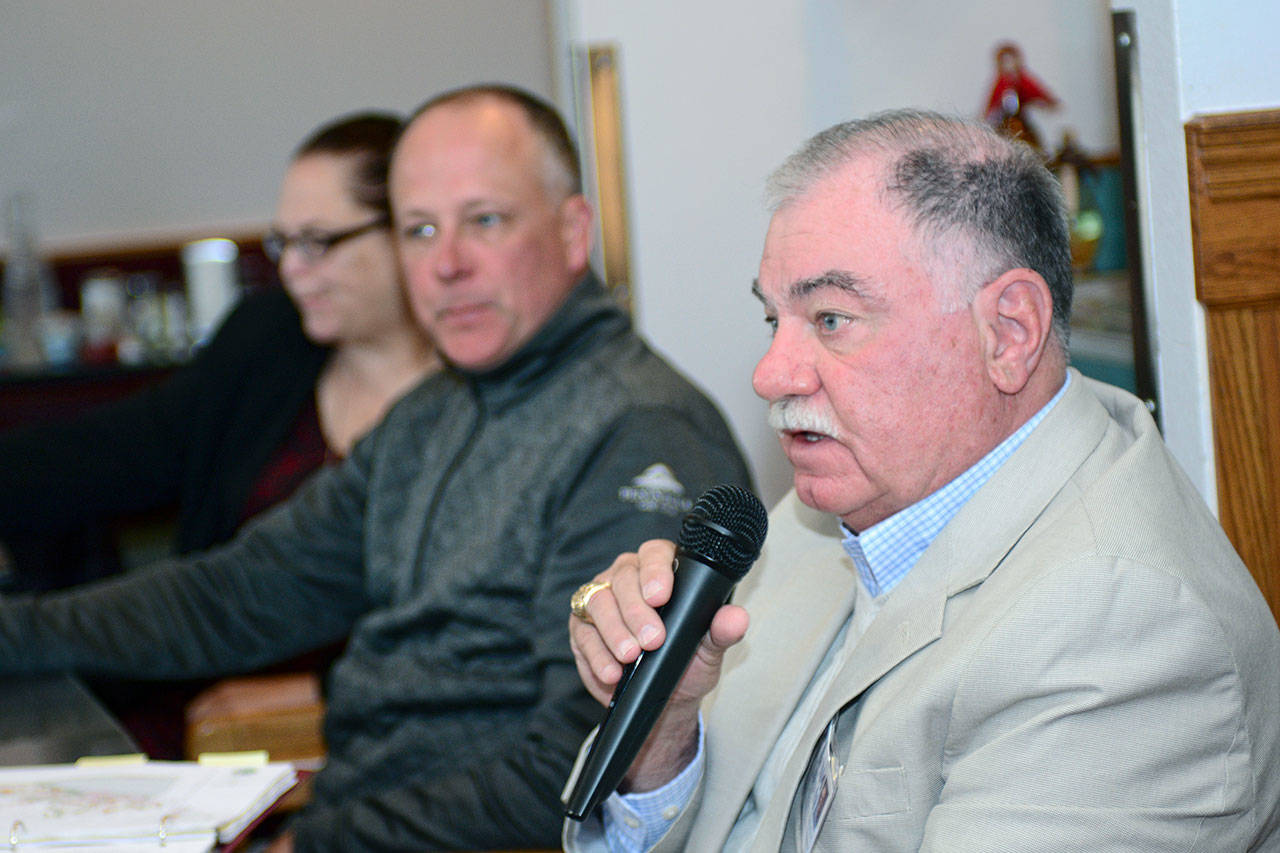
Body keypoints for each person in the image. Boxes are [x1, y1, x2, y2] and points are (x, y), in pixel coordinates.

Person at [0, 84, 751, 851]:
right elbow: (234, 593)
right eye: (420, 230)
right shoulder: (432, 414)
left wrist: (318, 844)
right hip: (345, 817)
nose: (447, 264)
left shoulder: (637, 430)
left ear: (572, 229)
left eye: (485, 221)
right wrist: (16, 634)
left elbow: (588, 761)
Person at [564, 109, 1280, 851]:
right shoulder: (822, 515)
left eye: (832, 318)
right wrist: (666, 728)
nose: (770, 373)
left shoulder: (1126, 626)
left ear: (1009, 332)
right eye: (773, 318)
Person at [0, 111, 438, 759]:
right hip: (196, 693)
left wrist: (321, 691)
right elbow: (106, 455)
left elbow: (476, 635)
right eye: (283, 242)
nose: (294, 270)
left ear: (409, 234)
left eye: (320, 242)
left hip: (369, 734)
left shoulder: (467, 403)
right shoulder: (270, 340)